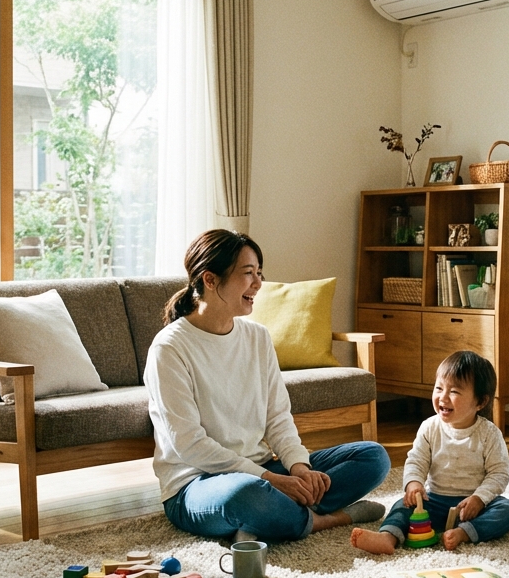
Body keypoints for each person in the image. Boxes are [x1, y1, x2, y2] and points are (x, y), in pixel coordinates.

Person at [146, 229, 391, 543]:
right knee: (247, 495)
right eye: (248, 274)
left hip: (265, 469)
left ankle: (277, 517)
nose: (258, 284)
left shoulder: (257, 337)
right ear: (210, 279)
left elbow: (278, 417)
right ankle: (325, 519)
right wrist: (270, 480)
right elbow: (189, 445)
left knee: (373, 457)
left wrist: (299, 468)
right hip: (198, 484)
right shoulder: (170, 348)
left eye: (259, 273)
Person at [351, 351, 509, 553]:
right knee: (401, 505)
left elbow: (498, 474)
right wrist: (414, 483)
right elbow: (416, 460)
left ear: (480, 402)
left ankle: (464, 533)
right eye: (439, 388)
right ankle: (388, 536)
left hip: (474, 506)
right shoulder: (429, 427)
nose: (443, 397)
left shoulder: (489, 433)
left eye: (454, 392)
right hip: (434, 501)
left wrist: (479, 498)